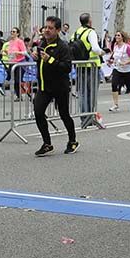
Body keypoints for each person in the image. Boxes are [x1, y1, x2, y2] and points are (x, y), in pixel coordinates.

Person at [32, 16, 78, 156]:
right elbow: (41, 62)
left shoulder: (63, 46)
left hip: (60, 87)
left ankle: (72, 141)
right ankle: (47, 143)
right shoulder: (42, 42)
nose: (46, 30)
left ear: (58, 30)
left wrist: (50, 59)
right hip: (44, 87)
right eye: (46, 27)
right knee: (38, 113)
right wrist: (36, 57)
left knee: (64, 115)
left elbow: (67, 67)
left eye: (50, 28)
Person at [72, 13, 104, 128]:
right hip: (92, 66)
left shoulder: (76, 33)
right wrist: (103, 52)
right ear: (89, 21)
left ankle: (84, 117)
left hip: (80, 67)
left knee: (82, 94)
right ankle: (90, 117)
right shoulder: (91, 32)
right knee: (92, 94)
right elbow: (95, 48)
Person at [107, 32, 130, 112]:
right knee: (114, 84)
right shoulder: (115, 46)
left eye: (118, 35)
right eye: (116, 35)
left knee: (129, 86)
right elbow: (114, 57)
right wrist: (110, 61)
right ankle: (116, 105)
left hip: (128, 70)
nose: (116, 37)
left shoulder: (127, 47)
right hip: (118, 69)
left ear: (122, 37)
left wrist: (125, 63)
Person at [3, 27, 29, 101]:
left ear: (17, 33)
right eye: (11, 31)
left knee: (18, 80)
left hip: (20, 63)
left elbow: (25, 52)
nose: (12, 33)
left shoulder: (20, 41)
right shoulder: (10, 42)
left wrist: (18, 52)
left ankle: (23, 93)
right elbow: (10, 53)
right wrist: (5, 52)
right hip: (12, 62)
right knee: (14, 80)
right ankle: (18, 96)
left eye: (14, 31)